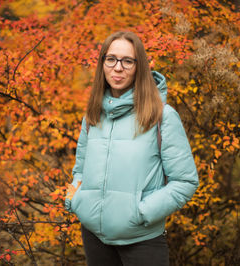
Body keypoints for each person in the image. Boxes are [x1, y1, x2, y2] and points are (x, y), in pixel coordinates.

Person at [65, 31, 198, 266]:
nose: (118, 68)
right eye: (111, 59)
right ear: (102, 63)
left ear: (139, 67)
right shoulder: (93, 114)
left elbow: (185, 182)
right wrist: (76, 199)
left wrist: (142, 213)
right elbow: (80, 168)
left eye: (127, 61)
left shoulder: (162, 116)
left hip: (142, 240)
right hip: (94, 237)